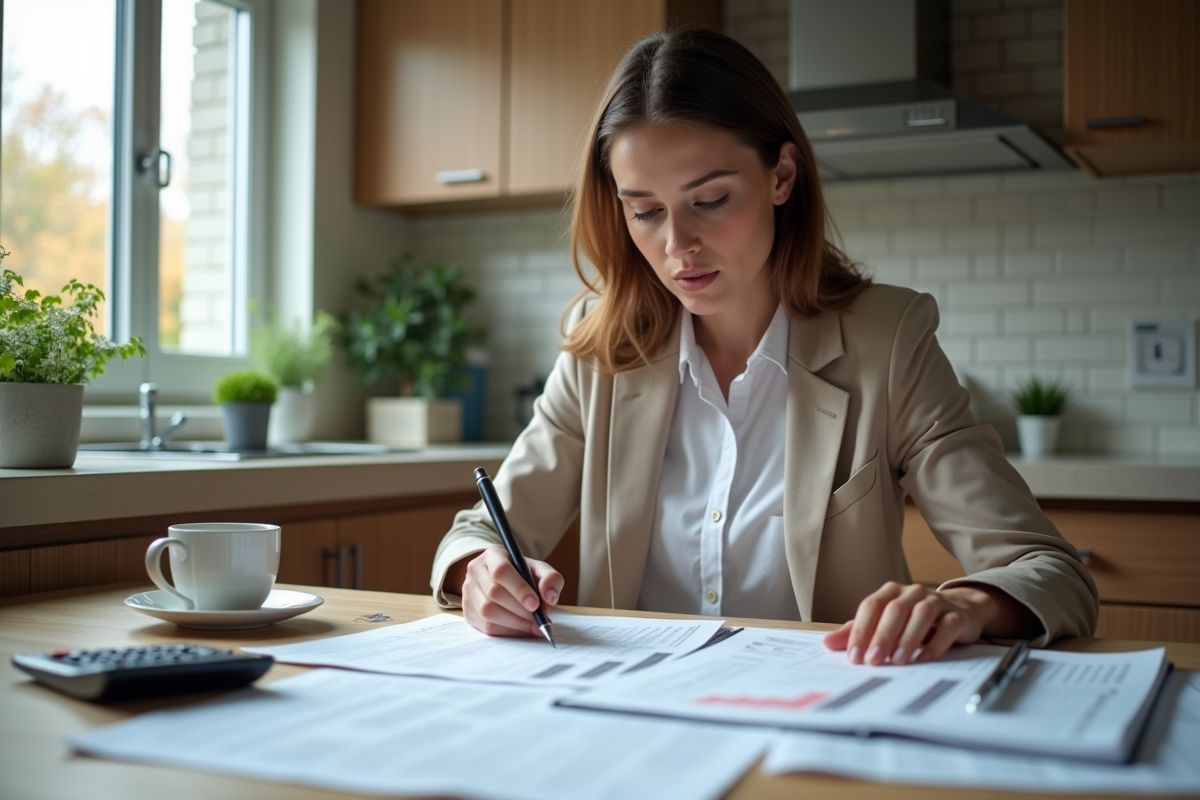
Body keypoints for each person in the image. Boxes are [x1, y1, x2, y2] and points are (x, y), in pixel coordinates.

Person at [431, 28, 1097, 666]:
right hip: (634, 717)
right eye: (645, 210)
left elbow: (1049, 570)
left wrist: (965, 606)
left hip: (818, 719)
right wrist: (479, 572)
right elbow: (482, 534)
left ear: (781, 176)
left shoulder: (888, 341)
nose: (677, 246)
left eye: (710, 199)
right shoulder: (602, 351)